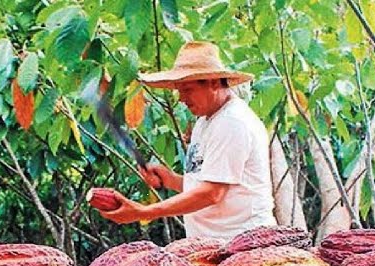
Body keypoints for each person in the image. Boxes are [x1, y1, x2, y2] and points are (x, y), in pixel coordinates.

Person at [98, 41, 277, 239]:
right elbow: (209, 183)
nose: (181, 98)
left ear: (214, 83)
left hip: (243, 242)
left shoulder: (232, 122)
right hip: (214, 244)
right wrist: (171, 180)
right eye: (179, 90)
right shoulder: (205, 121)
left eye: (187, 90)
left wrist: (143, 212)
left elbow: (212, 193)